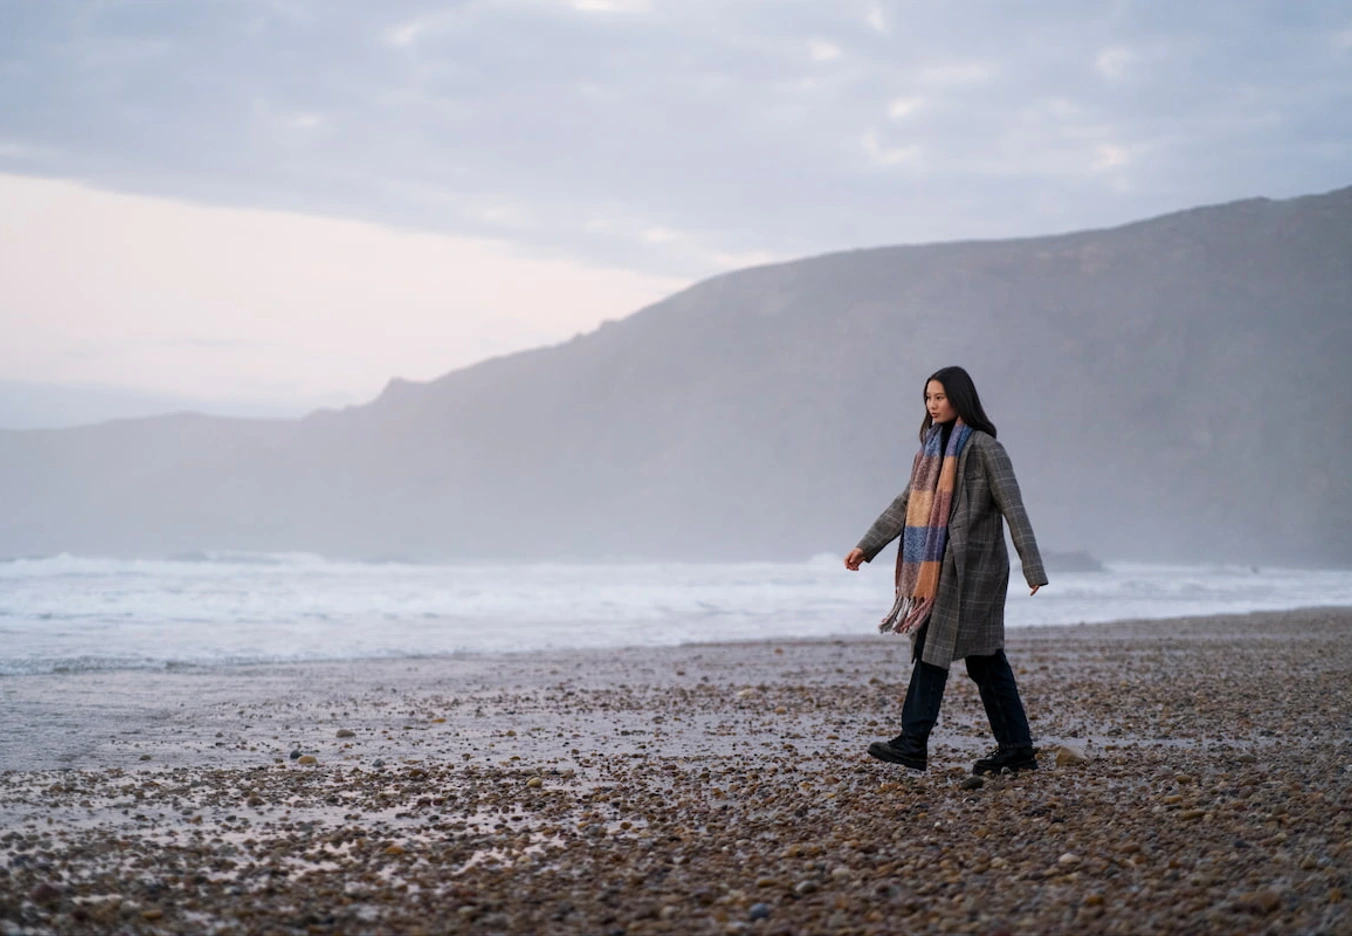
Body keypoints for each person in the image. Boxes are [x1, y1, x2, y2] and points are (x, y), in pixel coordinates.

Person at [844, 366, 1047, 776]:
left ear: (959, 398)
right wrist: (867, 546)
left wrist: (1033, 568)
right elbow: (906, 505)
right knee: (980, 660)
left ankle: (913, 742)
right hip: (938, 571)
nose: (932, 405)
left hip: (974, 570)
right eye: (928, 398)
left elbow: (1014, 508)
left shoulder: (986, 448)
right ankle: (1016, 748)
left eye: (939, 397)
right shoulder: (930, 451)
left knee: (945, 654)